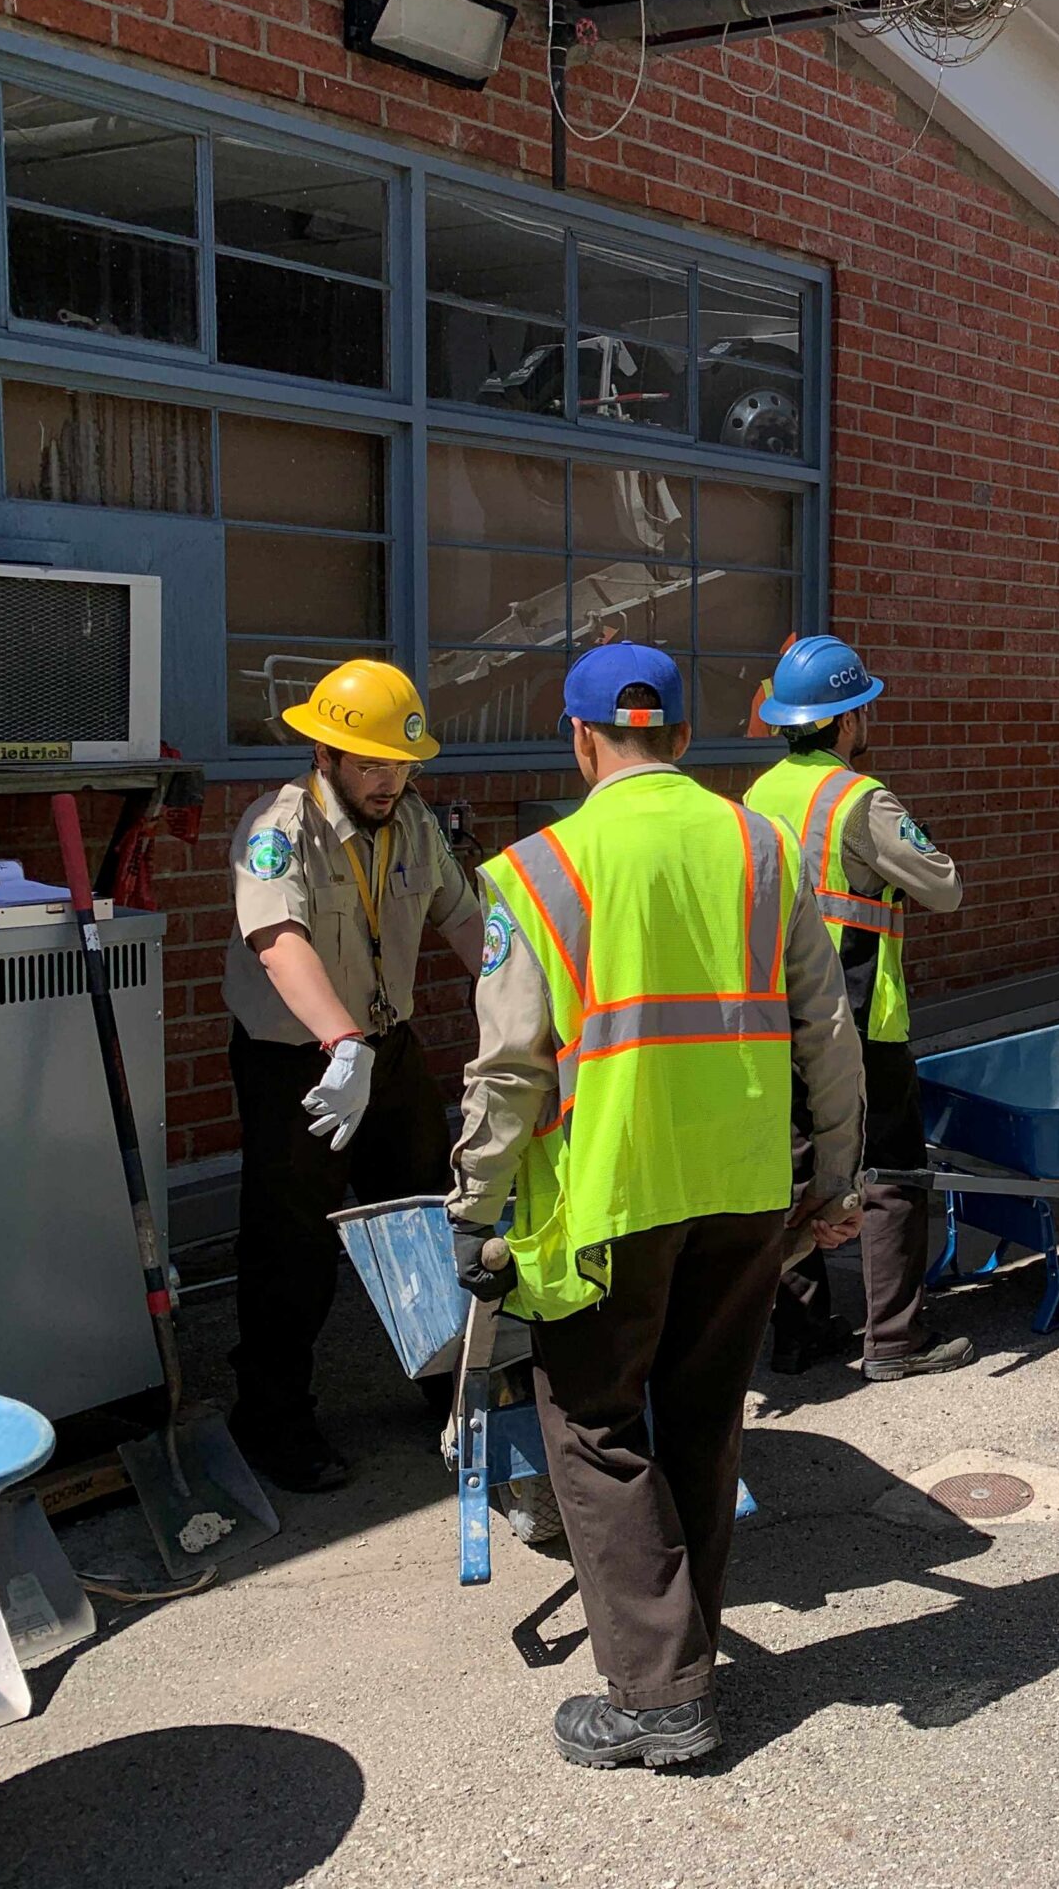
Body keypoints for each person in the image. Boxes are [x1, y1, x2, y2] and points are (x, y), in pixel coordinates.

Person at [446, 642, 867, 1769]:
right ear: (682, 736)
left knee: (588, 1424)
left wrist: (474, 1208)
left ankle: (657, 1694)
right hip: (743, 1188)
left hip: (609, 1197)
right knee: (699, 1416)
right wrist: (835, 1178)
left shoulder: (536, 871)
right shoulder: (761, 845)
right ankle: (685, 1652)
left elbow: (508, 1068)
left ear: (579, 739)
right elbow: (826, 1027)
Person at [224, 658, 482, 1492]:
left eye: (401, 763)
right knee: (290, 1248)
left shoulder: (413, 824)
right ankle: (272, 1421)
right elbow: (278, 941)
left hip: (389, 1048)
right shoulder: (277, 828)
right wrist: (340, 1044)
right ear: (326, 753)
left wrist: (533, 1005)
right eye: (370, 762)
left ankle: (445, 1389)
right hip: (300, 1059)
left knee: (424, 1223)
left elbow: (465, 918)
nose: (388, 779)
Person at [747, 635, 973, 1383]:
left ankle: (801, 1332)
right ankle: (895, 1339)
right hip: (858, 1013)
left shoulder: (756, 797)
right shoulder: (860, 798)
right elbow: (943, 886)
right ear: (847, 721)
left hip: (776, 1013)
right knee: (892, 1171)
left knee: (799, 1166)